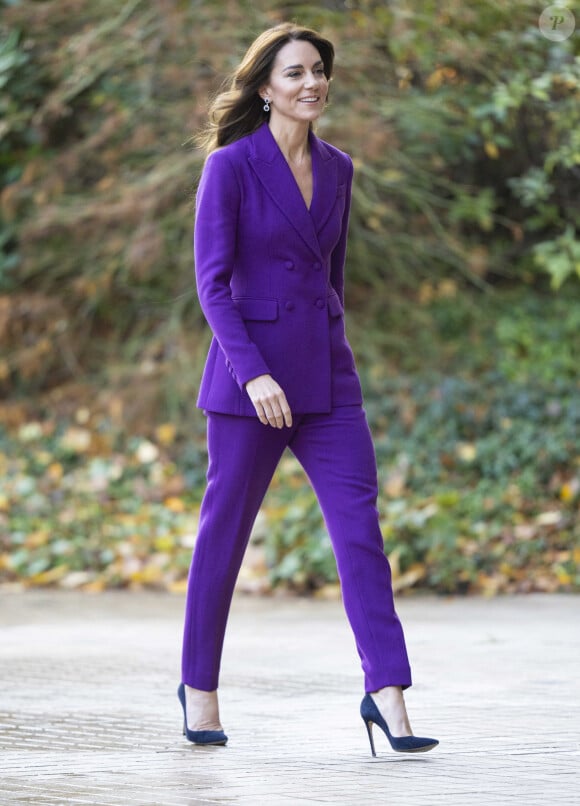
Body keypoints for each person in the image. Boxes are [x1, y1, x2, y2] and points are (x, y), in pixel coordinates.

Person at [178, 22, 438, 756]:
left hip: (328, 380)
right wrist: (253, 371)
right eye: (294, 73)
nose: (311, 83)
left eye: (318, 70)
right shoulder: (229, 168)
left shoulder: (341, 168)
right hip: (246, 385)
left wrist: (330, 350)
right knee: (222, 540)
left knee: (361, 534)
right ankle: (200, 690)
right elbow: (213, 285)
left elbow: (334, 279)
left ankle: (387, 693)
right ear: (265, 87)